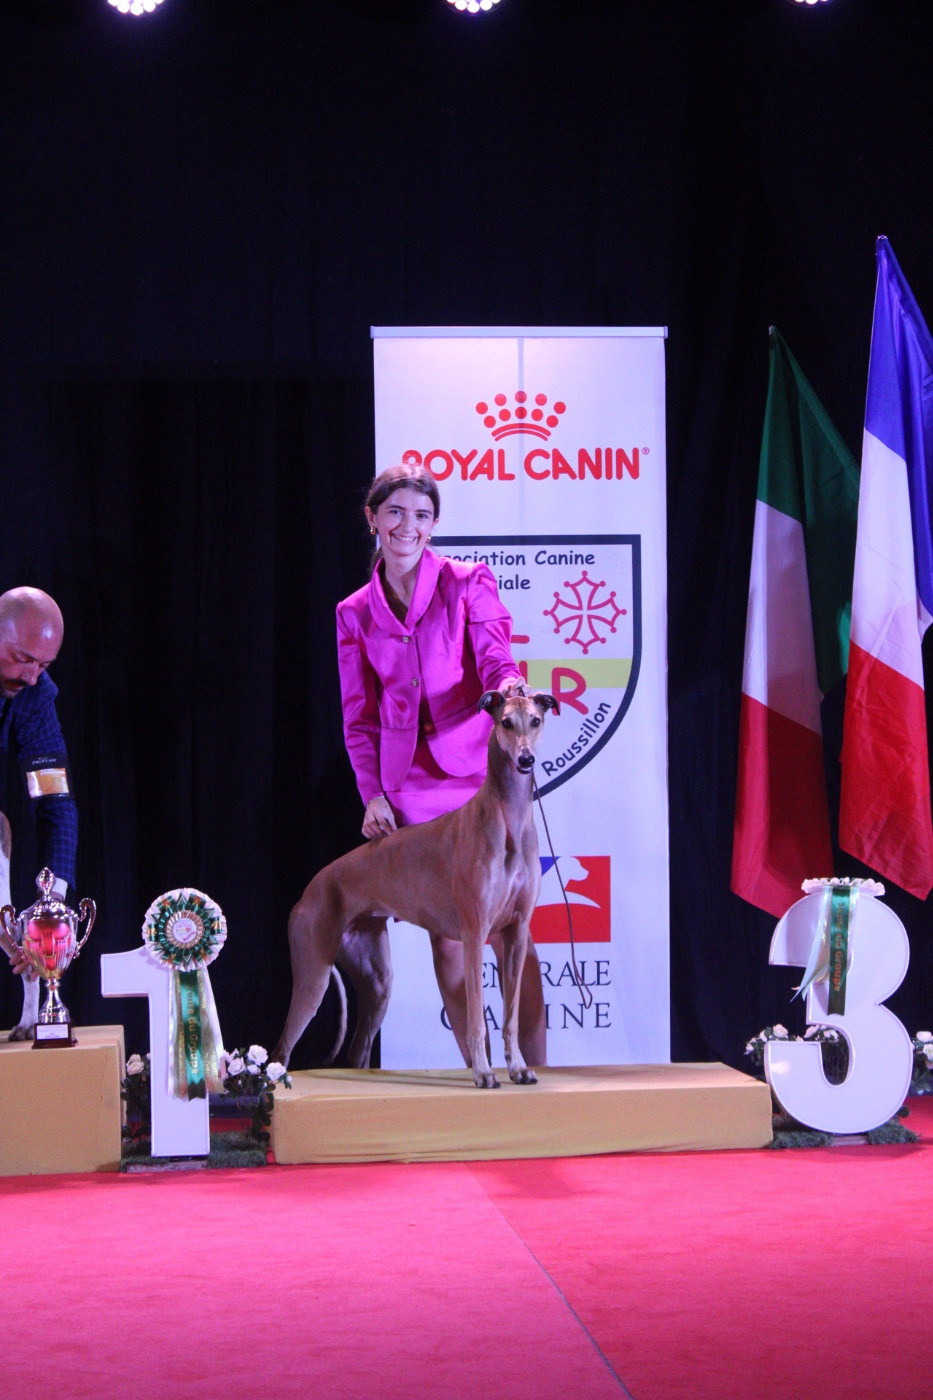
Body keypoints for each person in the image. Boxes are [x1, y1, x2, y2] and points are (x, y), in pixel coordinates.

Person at [334, 463, 547, 1067]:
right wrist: (372, 794)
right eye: (396, 512)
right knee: (452, 940)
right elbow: (359, 715)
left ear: (433, 525)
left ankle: (537, 1076)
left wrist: (510, 685)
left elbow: (495, 654)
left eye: (422, 516)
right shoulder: (354, 612)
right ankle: (480, 1072)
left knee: (513, 933)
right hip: (410, 790)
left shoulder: (467, 582)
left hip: (478, 778)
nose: (408, 526)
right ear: (373, 518)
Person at [0, 587, 77, 982]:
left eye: (43, 665)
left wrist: (53, 907)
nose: (31, 676)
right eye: (23, 659)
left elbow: (54, 801)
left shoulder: (34, 694)